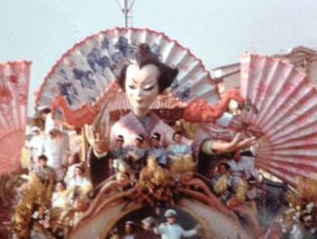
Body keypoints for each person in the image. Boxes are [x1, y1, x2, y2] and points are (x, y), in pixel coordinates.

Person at [86, 44, 257, 186]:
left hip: (164, 184)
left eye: (147, 88)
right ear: (124, 87)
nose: (138, 95)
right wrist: (101, 150)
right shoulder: (119, 127)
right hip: (126, 185)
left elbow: (190, 146)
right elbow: (110, 155)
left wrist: (221, 147)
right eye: (132, 87)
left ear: (158, 89)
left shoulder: (159, 126)